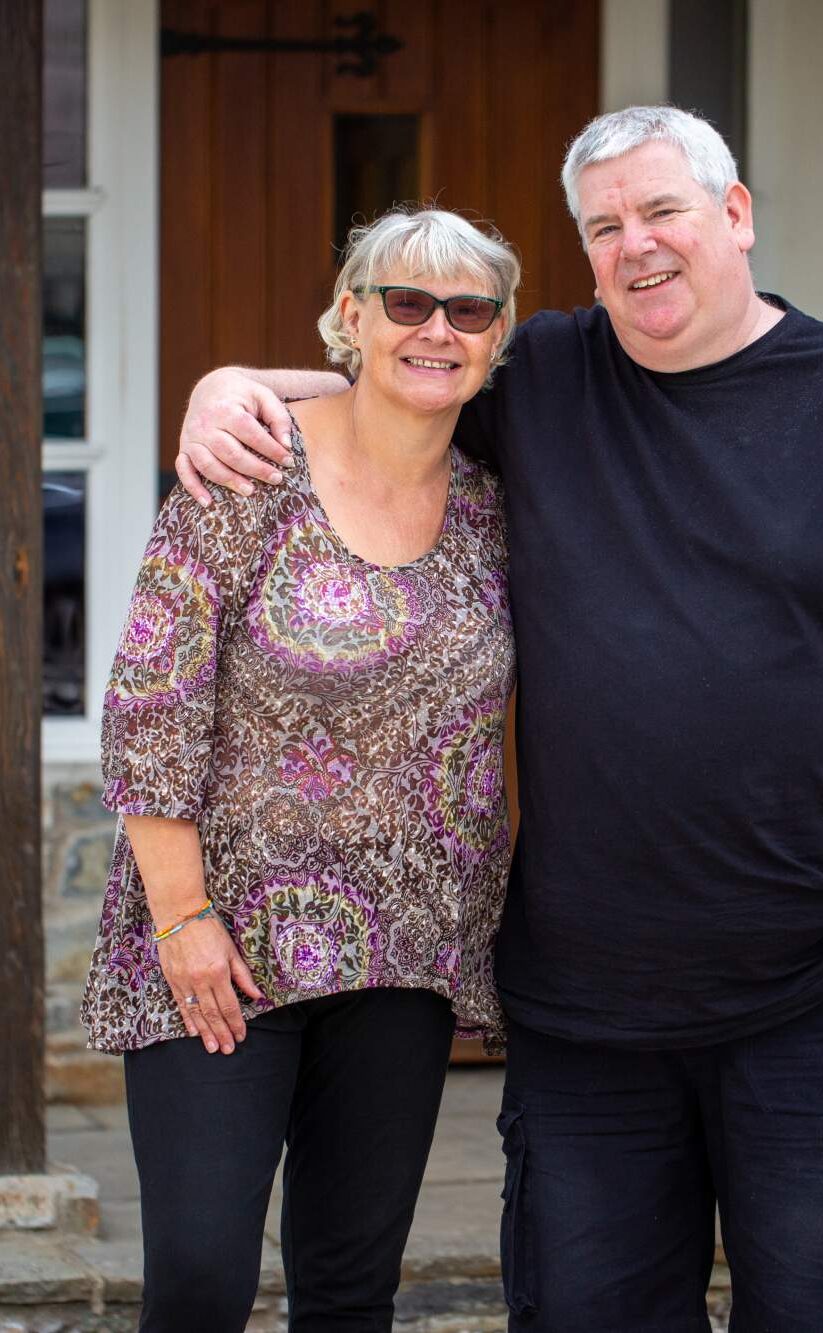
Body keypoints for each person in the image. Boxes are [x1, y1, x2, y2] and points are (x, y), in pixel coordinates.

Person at [174, 107, 823, 1332]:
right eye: (604, 226)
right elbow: (400, 383)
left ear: (735, 215)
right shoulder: (545, 377)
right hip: (589, 1010)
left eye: (663, 212)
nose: (635, 246)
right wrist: (233, 384)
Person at [81, 207, 520, 1333]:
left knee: (349, 1288)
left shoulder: (495, 506)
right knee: (197, 1278)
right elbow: (149, 707)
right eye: (406, 302)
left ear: (498, 334)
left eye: (467, 308)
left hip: (404, 955)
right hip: (221, 947)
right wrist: (181, 922)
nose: (437, 328)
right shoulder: (249, 472)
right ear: (350, 318)